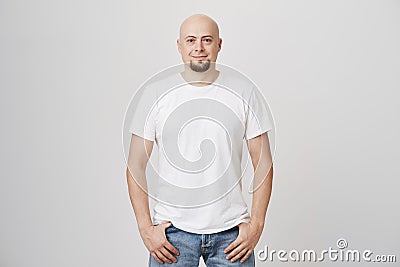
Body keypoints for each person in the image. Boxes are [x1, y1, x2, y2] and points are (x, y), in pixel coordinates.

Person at [126, 14, 274, 266]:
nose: (199, 48)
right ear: (179, 46)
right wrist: (146, 229)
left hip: (232, 236)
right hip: (172, 235)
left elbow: (264, 164)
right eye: (191, 40)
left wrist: (256, 226)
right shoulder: (155, 95)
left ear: (219, 44)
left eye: (207, 40)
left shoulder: (243, 91)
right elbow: (135, 166)